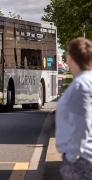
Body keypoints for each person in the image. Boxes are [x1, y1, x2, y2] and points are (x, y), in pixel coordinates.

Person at [55, 37, 92, 180]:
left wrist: (72, 155)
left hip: (81, 159)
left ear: (70, 57)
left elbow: (82, 124)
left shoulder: (81, 85)